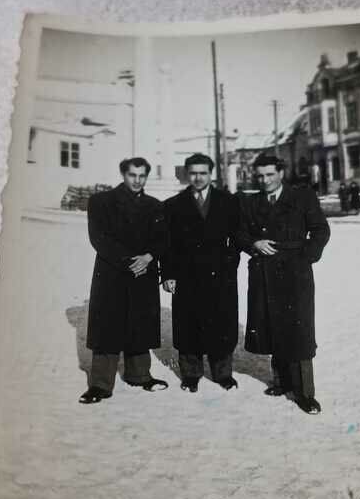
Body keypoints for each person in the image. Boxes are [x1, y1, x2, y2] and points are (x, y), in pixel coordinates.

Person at [237, 153, 330, 415]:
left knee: (299, 330)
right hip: (263, 272)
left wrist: (306, 256)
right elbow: (239, 233)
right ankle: (281, 381)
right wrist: (253, 243)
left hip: (294, 272)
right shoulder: (250, 201)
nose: (264, 180)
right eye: (260, 176)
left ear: (281, 173)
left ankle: (305, 393)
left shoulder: (302, 197)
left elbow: (321, 229)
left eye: (269, 175)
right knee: (272, 325)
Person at [79, 157, 169, 404]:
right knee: (108, 324)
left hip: (144, 273)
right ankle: (100, 384)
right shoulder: (101, 202)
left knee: (140, 322)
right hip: (112, 273)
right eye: (132, 175)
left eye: (142, 176)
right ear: (123, 174)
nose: (137, 180)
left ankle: (140, 375)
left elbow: (162, 239)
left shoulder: (155, 206)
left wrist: (149, 257)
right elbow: (98, 238)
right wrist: (130, 261)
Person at [162, 153, 240, 392]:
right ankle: (191, 374)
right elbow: (167, 244)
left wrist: (228, 265)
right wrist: (168, 274)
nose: (198, 177)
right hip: (187, 276)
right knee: (188, 324)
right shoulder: (173, 205)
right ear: (187, 174)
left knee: (222, 324)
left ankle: (223, 373)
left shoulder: (228, 201)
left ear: (211, 174)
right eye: (193, 173)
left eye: (203, 173)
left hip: (220, 276)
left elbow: (236, 239)